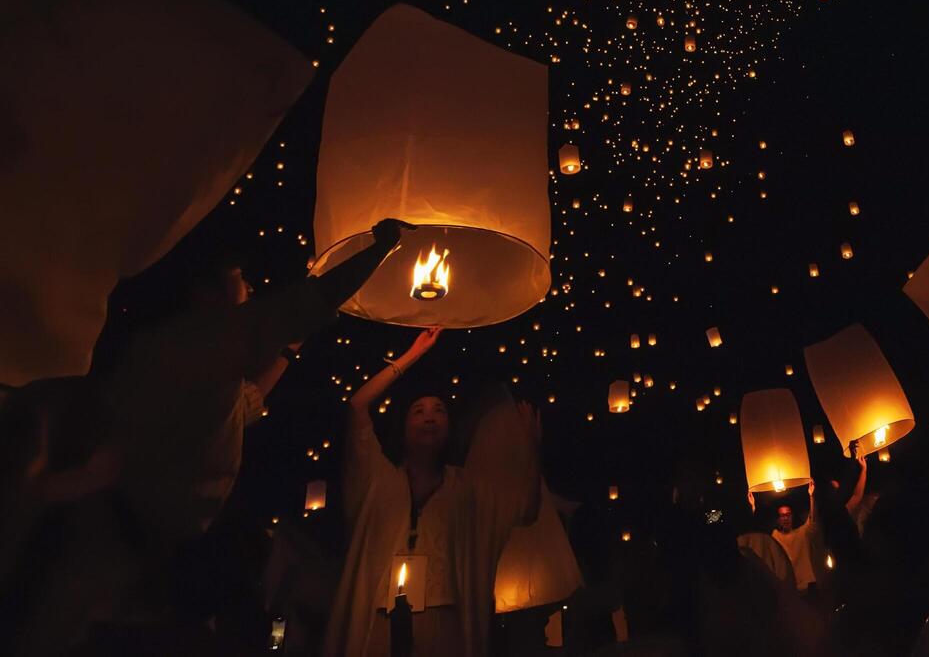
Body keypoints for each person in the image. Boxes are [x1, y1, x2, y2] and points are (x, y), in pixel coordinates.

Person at [9, 217, 414, 656]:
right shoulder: (191, 346)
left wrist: (288, 346)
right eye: (239, 280)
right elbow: (302, 306)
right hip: (112, 545)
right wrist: (380, 248)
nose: (250, 291)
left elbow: (246, 404)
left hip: (145, 550)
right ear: (205, 292)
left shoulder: (195, 360)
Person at [325, 325, 543, 657]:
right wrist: (411, 356)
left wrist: (531, 449)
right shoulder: (378, 480)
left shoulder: (466, 489)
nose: (430, 417)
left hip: (445, 627)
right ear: (403, 424)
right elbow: (357, 407)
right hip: (379, 625)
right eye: (419, 410)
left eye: (439, 410)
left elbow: (524, 509)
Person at [767, 480, 821, 594]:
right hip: (790, 587)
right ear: (778, 519)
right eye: (782, 515)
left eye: (788, 514)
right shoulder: (775, 536)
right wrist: (752, 507)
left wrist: (812, 496)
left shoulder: (801, 533)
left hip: (808, 586)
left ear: (792, 516)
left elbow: (813, 519)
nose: (785, 518)